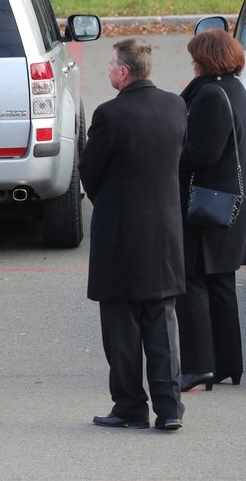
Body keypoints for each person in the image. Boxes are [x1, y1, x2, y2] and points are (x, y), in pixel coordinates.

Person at [79, 38, 188, 431]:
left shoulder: (110, 115)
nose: (107, 70)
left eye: (110, 65)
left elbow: (89, 172)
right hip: (164, 230)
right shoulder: (175, 105)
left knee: (122, 325)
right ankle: (170, 407)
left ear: (123, 72)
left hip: (120, 232)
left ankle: (129, 404)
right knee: (162, 321)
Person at [176, 29, 246, 391]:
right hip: (232, 198)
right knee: (222, 282)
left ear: (206, 60)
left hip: (209, 201)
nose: (191, 61)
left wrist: (169, 155)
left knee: (193, 280)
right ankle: (228, 363)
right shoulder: (234, 89)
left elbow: (201, 154)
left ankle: (199, 365)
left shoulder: (209, 94)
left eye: (195, 56)